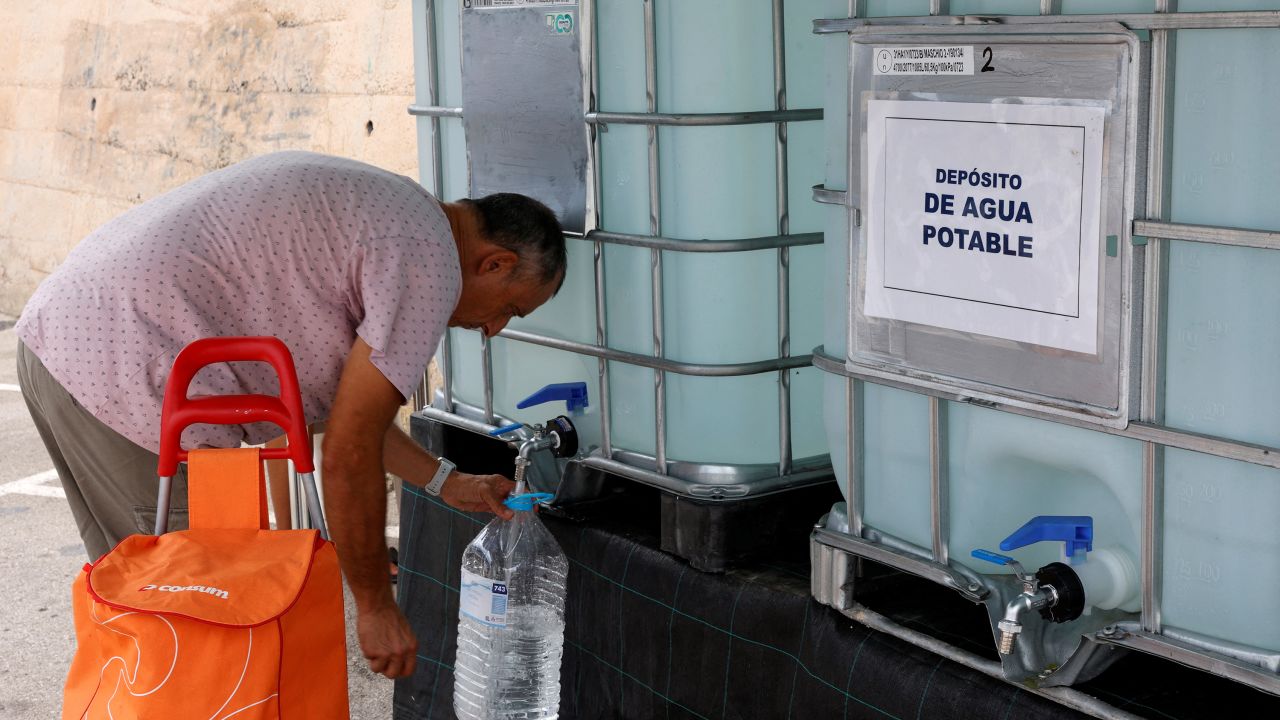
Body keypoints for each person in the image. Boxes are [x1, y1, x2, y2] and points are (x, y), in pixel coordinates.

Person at [14, 150, 566, 680]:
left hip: (65, 340)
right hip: (129, 371)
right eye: (511, 308)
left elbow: (355, 419)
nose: (493, 329)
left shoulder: (400, 212)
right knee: (191, 621)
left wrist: (446, 481)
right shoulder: (430, 264)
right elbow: (348, 452)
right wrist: (374, 605)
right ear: (496, 262)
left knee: (141, 608)